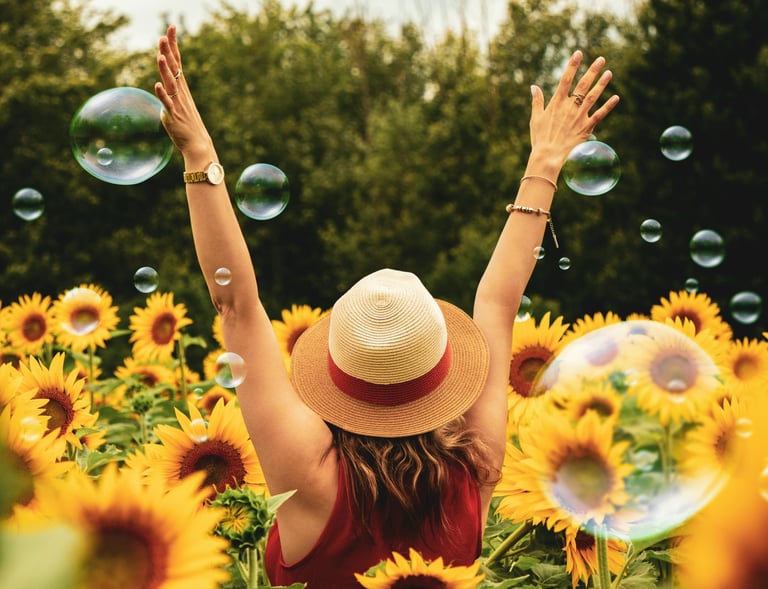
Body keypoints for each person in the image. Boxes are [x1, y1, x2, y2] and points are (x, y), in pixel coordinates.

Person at [154, 24, 618, 588]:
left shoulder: (308, 475)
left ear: (338, 371)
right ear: (440, 371)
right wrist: (544, 163)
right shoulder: (475, 469)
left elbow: (237, 307)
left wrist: (200, 155)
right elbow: (497, 304)